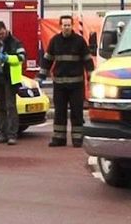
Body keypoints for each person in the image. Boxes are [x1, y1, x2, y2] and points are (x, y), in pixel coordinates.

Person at [40, 14, 94, 147]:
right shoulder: (55, 41)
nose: (66, 28)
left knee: (77, 112)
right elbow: (48, 59)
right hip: (59, 84)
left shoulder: (80, 41)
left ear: (72, 26)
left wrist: (90, 75)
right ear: (60, 26)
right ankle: (59, 138)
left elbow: (87, 59)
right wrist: (41, 75)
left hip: (76, 84)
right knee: (59, 112)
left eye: (69, 25)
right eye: (64, 25)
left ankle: (77, 139)